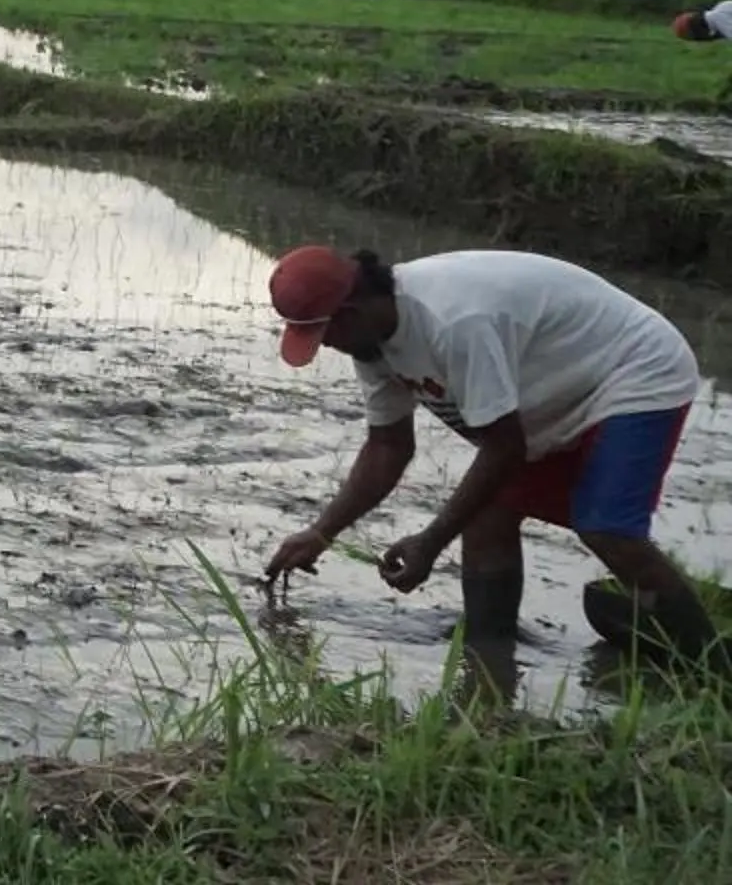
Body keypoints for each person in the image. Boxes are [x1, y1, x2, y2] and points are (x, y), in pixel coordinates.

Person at [260, 244, 715, 667]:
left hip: (632, 368)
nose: (326, 348)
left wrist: (431, 541)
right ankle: (490, 663)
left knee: (605, 527)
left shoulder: (454, 321)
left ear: (352, 311)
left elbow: (504, 448)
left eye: (324, 335)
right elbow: (388, 447)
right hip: (552, 384)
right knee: (487, 512)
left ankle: (712, 670)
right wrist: (321, 532)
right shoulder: (372, 345)